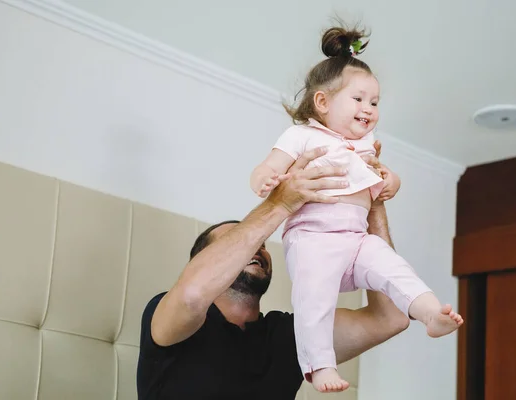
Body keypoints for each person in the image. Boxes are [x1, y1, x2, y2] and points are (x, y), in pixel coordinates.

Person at [250, 25, 463, 393]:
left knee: (395, 267)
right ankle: (319, 366)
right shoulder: (302, 135)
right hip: (314, 239)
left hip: (357, 240)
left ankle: (429, 313)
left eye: (375, 102)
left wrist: (391, 181)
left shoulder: (365, 144)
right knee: (313, 302)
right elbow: (267, 166)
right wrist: (267, 180)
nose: (369, 109)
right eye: (360, 99)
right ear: (323, 103)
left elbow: (384, 179)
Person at [136, 145, 410, 400]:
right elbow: (191, 295)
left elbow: (390, 318)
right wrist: (279, 204)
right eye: (238, 242)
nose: (256, 248)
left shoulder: (288, 335)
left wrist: (372, 200)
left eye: (262, 245)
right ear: (199, 261)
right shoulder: (163, 311)